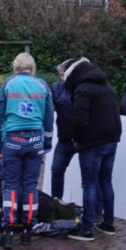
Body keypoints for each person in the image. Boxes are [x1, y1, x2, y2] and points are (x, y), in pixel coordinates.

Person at [0, 52, 54, 250]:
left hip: (13, 139)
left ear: (15, 67)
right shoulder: (42, 85)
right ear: (32, 67)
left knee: (10, 186)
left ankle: (7, 231)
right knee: (30, 186)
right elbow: (49, 115)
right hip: (35, 140)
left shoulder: (9, 83)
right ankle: (27, 229)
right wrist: (47, 141)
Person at [65, 57, 122, 242]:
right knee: (106, 181)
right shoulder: (106, 86)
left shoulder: (83, 89)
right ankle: (108, 223)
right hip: (111, 140)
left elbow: (80, 119)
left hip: (92, 143)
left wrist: (76, 138)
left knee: (89, 184)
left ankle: (87, 228)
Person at [50, 58, 80, 201]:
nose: (62, 78)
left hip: (84, 139)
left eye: (64, 75)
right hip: (65, 139)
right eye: (60, 75)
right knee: (56, 170)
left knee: (90, 176)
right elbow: (48, 108)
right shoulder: (56, 87)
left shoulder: (84, 87)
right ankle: (57, 202)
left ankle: (94, 210)